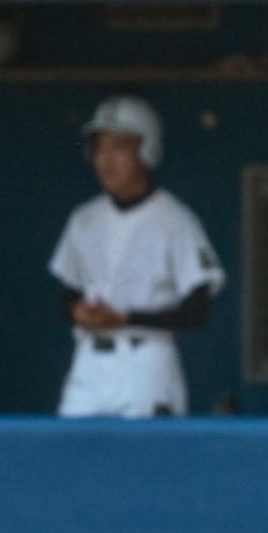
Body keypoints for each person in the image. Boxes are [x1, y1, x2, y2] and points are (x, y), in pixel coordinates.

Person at [50, 96, 224, 417]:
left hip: (145, 361)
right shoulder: (83, 219)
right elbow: (68, 294)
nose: (106, 160)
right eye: (99, 148)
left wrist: (126, 319)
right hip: (89, 361)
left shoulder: (175, 219)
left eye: (119, 147)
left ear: (147, 150)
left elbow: (197, 311)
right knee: (70, 457)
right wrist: (79, 311)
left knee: (147, 462)